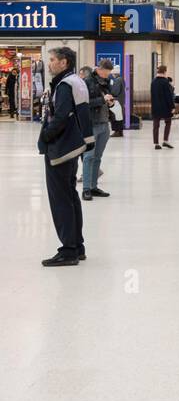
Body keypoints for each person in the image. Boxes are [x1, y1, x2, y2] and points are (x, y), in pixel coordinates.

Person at [37, 46, 93, 266]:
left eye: (52, 59)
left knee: (60, 200)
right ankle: (77, 246)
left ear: (64, 62)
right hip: (72, 147)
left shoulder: (64, 85)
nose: (49, 63)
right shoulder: (76, 81)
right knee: (70, 197)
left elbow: (60, 117)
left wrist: (46, 137)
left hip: (61, 149)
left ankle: (68, 250)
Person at [81, 59, 115, 200]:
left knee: (97, 157)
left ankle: (93, 186)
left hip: (104, 123)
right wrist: (102, 100)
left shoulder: (106, 82)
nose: (108, 75)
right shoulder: (87, 82)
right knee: (88, 157)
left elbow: (107, 99)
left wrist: (110, 103)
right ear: (100, 69)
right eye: (106, 73)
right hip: (92, 124)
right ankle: (86, 189)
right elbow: (85, 103)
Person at [150, 64, 175, 149]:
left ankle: (156, 143)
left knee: (156, 125)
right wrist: (172, 107)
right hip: (165, 107)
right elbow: (169, 96)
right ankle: (165, 140)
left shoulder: (153, 82)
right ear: (164, 71)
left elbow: (152, 95)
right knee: (168, 122)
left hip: (155, 106)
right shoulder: (165, 82)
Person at [108, 63, 126, 137]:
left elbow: (115, 92)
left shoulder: (117, 80)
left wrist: (109, 91)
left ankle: (117, 131)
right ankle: (120, 132)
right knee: (119, 117)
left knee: (115, 117)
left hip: (116, 101)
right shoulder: (121, 79)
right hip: (120, 100)